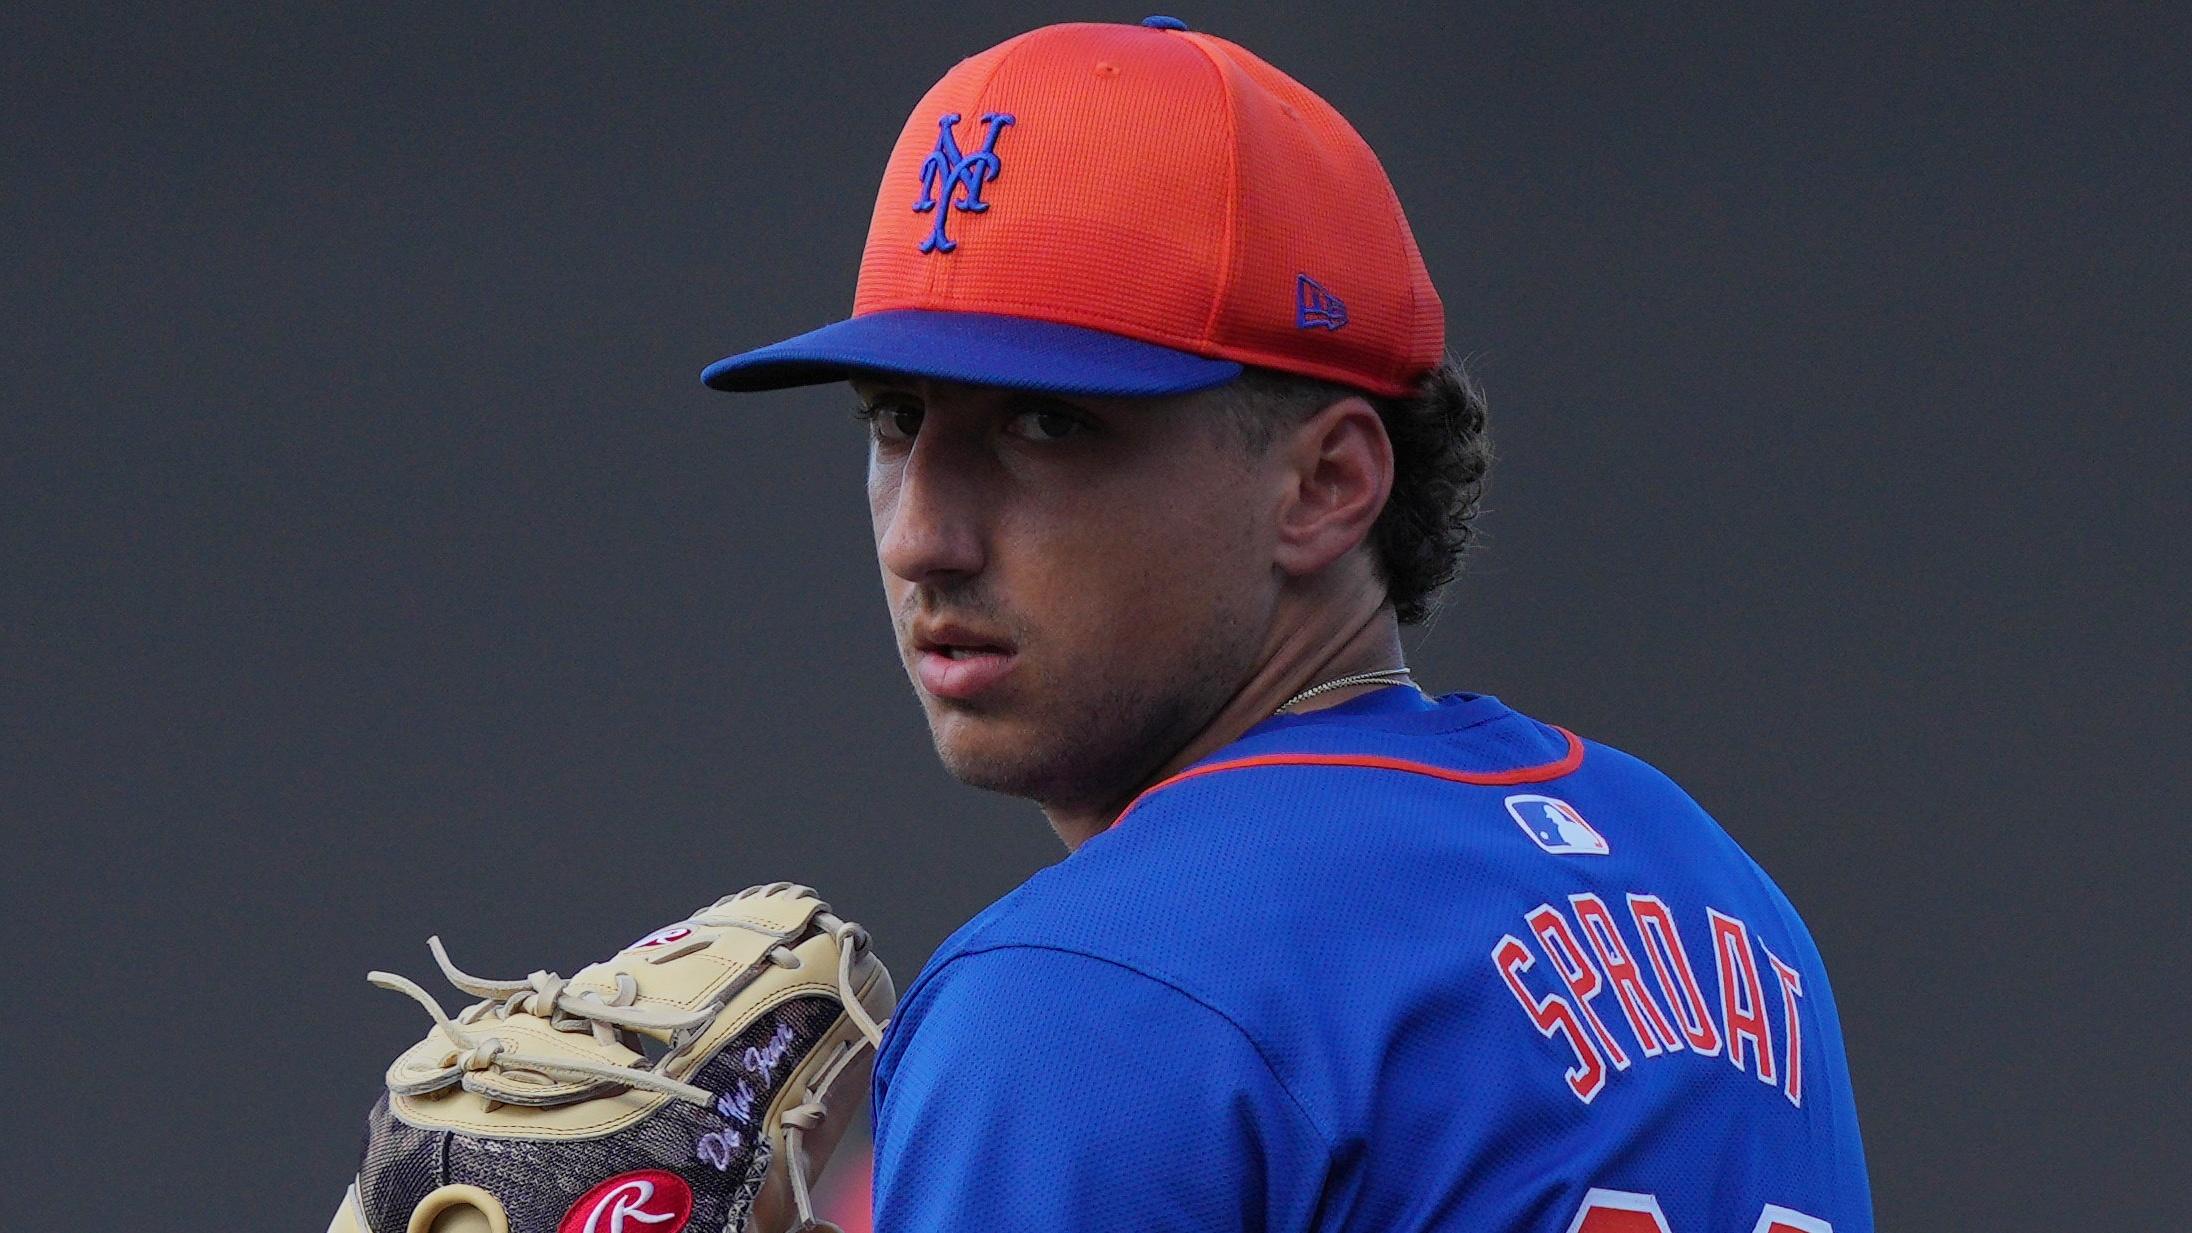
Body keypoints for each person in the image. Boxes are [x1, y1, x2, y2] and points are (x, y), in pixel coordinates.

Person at [704, 17, 1871, 1233]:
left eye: (1044, 424)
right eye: (896, 420)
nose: (921, 537)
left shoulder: (1091, 989)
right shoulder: (1715, 899)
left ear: (1322, 485)